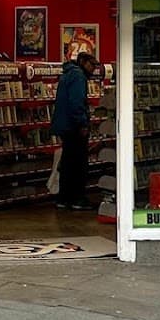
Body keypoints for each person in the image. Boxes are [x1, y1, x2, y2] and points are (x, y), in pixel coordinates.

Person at [51, 51, 98, 211]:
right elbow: (77, 102)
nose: (94, 69)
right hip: (74, 127)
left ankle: (64, 198)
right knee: (79, 163)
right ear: (83, 62)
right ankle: (78, 198)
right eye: (92, 65)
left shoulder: (68, 74)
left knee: (67, 163)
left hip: (65, 125)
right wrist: (83, 124)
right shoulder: (78, 76)